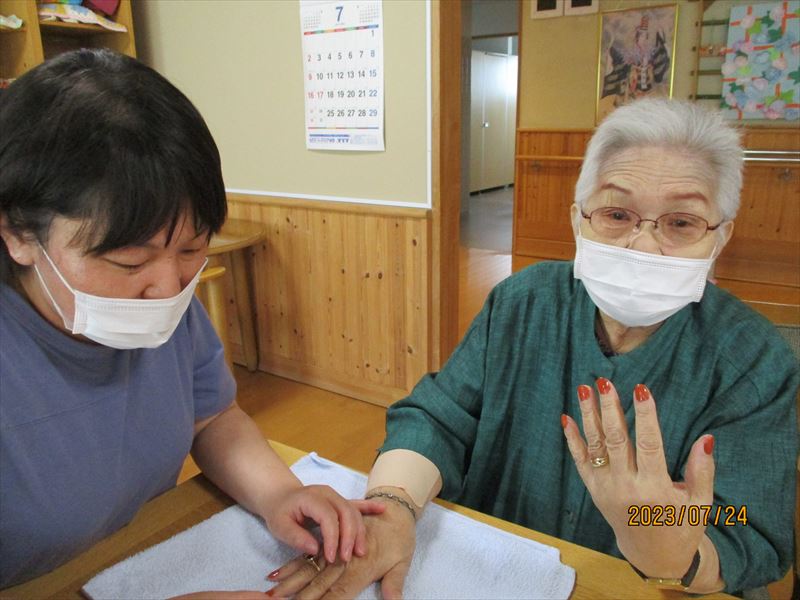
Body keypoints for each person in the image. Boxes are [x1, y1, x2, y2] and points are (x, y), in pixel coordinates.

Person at [267, 99, 799, 597]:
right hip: (492, 568)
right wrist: (392, 509)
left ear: (719, 237)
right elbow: (439, 418)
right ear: (578, 219)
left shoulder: (753, 360)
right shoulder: (523, 302)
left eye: (681, 223)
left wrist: (660, 533)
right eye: (617, 215)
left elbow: (746, 525)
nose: (643, 243)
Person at [0, 49, 383, 589]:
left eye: (191, 250)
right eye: (129, 262)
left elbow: (212, 418)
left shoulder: (168, 307)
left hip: (127, 563)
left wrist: (280, 493)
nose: (169, 287)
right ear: (18, 233)